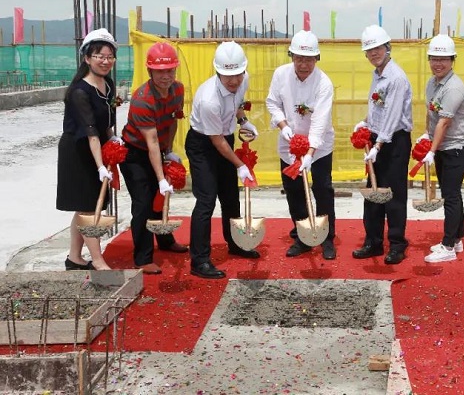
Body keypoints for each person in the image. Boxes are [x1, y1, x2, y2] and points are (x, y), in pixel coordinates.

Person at [185, 41, 261, 279]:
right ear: (217, 71)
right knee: (206, 200)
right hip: (203, 144)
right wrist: (240, 165)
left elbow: (237, 104)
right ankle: (199, 260)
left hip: (225, 137)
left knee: (230, 196)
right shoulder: (209, 100)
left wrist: (243, 121)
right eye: (228, 76)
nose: (234, 81)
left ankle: (236, 243)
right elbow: (216, 141)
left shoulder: (243, 79)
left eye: (238, 74)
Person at [119, 42, 189, 275]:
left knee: (161, 198)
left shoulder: (178, 90)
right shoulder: (142, 99)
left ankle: (166, 241)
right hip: (135, 153)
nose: (166, 76)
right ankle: (143, 257)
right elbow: (150, 141)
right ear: (150, 71)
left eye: (170, 70)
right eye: (160, 71)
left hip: (158, 148)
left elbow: (174, 120)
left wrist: (169, 150)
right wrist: (160, 177)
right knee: (143, 203)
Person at [266, 30, 337, 260]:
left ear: (317, 58)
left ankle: (327, 237)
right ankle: (302, 236)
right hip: (289, 145)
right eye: (299, 58)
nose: (303, 64)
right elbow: (272, 103)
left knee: (322, 189)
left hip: (319, 148)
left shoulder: (324, 83)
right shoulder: (281, 75)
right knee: (294, 190)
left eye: (309, 59)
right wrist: (283, 125)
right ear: (291, 56)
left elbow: (319, 121)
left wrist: (310, 153)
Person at [56, 28, 119, 271]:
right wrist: (101, 166)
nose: (105, 61)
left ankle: (74, 258)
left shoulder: (108, 84)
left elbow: (106, 123)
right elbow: (91, 132)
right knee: (88, 206)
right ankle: (98, 261)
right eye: (99, 56)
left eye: (109, 57)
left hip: (97, 147)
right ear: (87, 58)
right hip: (78, 151)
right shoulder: (79, 92)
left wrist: (113, 139)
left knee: (86, 206)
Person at [352, 25, 413, 265]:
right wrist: (365, 122)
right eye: (369, 50)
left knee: (393, 195)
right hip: (378, 137)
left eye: (377, 48)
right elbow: (378, 108)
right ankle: (373, 242)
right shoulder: (377, 74)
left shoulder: (396, 77)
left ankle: (397, 244)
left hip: (394, 141)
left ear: (388, 48)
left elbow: (393, 115)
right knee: (373, 192)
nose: (374, 53)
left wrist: (378, 146)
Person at [420, 34, 464, 263]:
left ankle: (448, 245)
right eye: (434, 58)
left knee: (450, 196)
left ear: (452, 60)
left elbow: (444, 122)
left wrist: (431, 150)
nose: (438, 63)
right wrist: (427, 134)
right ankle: (458, 237)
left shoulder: (453, 88)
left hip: (457, 147)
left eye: (443, 59)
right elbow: (431, 113)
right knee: (451, 192)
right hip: (442, 145)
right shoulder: (432, 83)